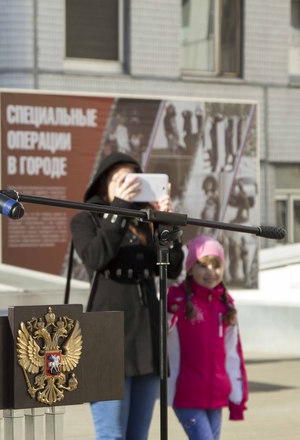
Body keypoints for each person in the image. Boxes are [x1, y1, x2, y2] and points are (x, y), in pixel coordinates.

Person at [69, 152, 184, 440]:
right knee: (112, 434)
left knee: (138, 435)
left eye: (135, 180)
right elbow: (96, 257)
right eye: (121, 181)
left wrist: (166, 224)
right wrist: (120, 207)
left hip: (146, 333)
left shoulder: (146, 219)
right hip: (108, 330)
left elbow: (173, 269)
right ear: (104, 185)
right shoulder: (86, 219)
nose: (130, 186)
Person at [167, 235, 248, 440]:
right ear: (190, 269)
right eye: (203, 265)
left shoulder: (226, 305)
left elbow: (233, 353)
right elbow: (163, 330)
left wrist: (237, 397)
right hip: (186, 395)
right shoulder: (177, 300)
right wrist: (171, 308)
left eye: (216, 265)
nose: (211, 272)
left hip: (216, 395)